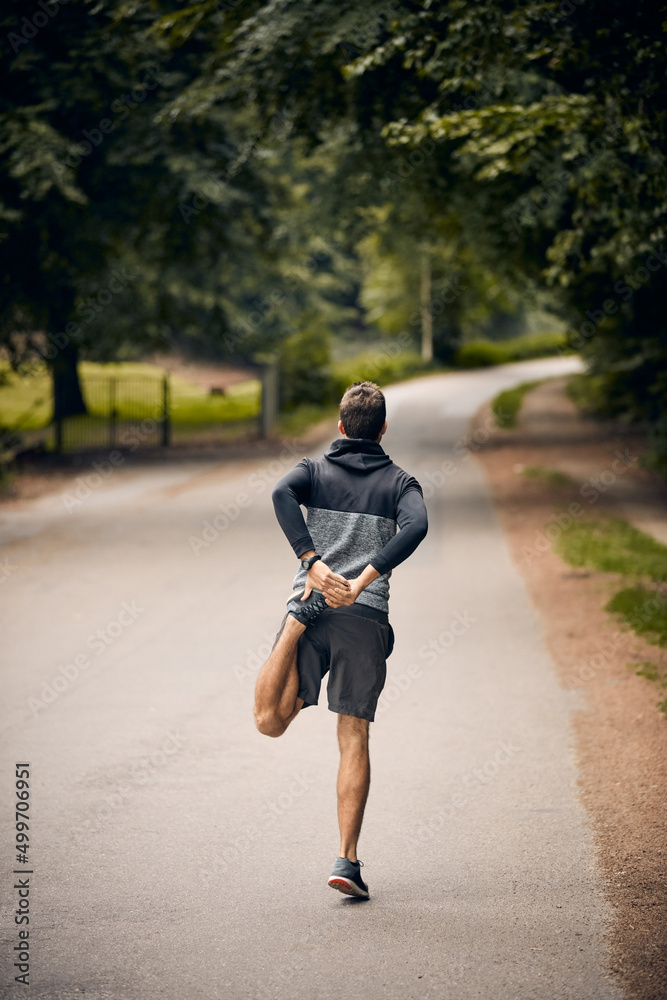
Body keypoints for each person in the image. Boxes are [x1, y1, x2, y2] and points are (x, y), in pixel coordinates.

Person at [253, 380, 428, 898]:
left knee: (270, 722)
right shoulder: (401, 483)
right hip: (364, 616)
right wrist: (364, 578)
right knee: (353, 736)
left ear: (340, 427)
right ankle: (346, 862)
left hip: (309, 611)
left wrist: (312, 563)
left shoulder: (312, 471)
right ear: (383, 430)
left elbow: (279, 492)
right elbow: (416, 527)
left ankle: (295, 621)